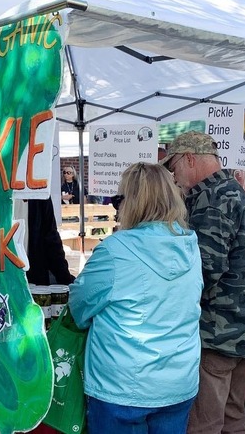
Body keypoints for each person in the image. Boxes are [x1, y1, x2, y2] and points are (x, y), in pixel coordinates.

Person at [68, 162, 203, 432]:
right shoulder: (190, 245)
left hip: (122, 385)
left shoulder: (116, 250)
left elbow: (79, 306)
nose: (118, 208)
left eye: (119, 200)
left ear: (133, 202)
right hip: (177, 381)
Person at [161, 131, 245, 434]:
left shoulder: (212, 198)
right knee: (233, 420)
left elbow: (204, 271)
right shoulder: (234, 189)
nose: (173, 175)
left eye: (173, 166)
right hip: (243, 331)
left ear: (189, 158)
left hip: (217, 334)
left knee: (205, 424)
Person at [17, 197, 75, 286]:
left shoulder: (40, 191)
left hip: (32, 275)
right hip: (3, 272)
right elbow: (51, 237)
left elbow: (51, 238)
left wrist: (65, 278)